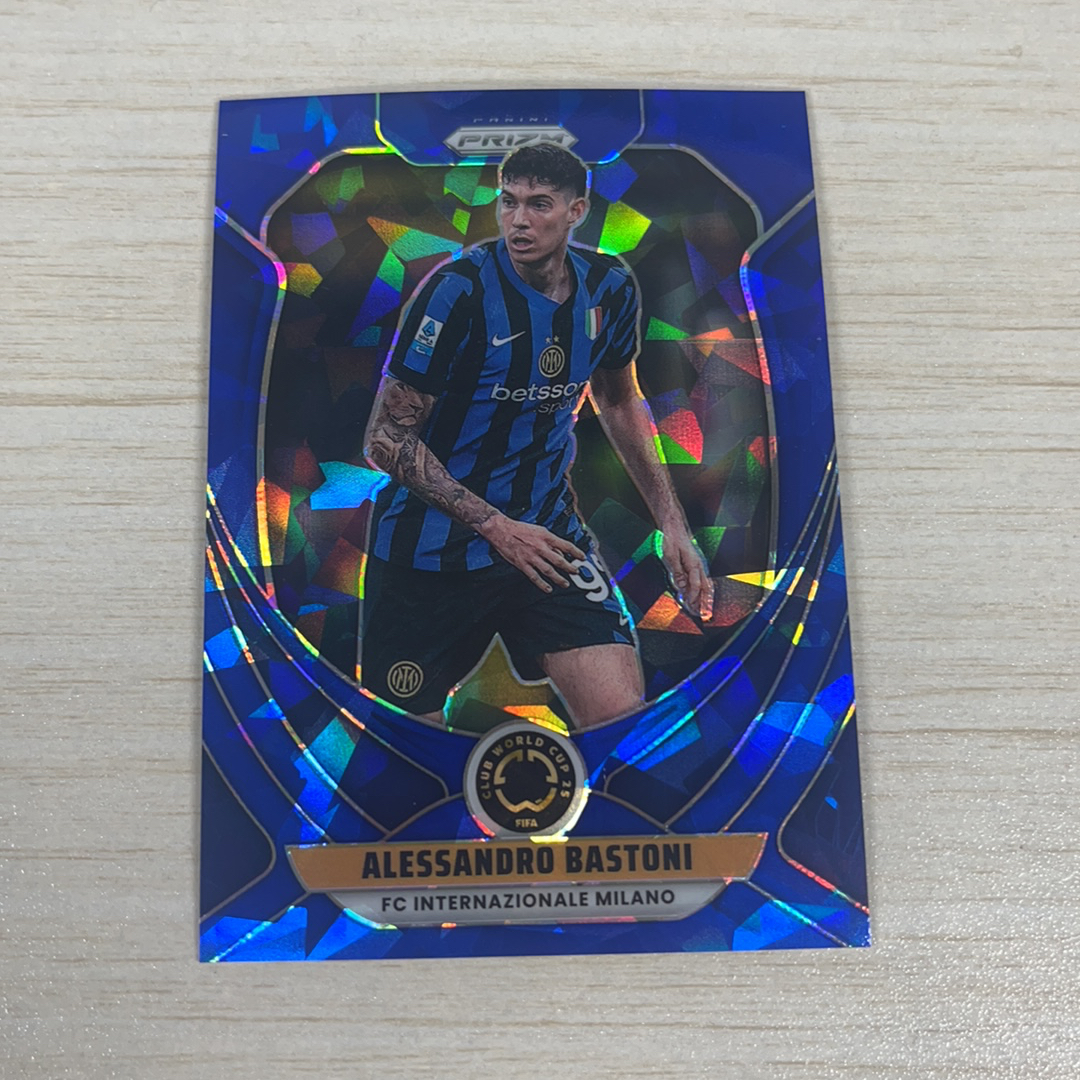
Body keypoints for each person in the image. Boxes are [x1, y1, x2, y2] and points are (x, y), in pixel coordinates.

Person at [361, 143, 712, 729]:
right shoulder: (458, 291)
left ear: (576, 211)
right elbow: (384, 439)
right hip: (428, 557)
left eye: (539, 204)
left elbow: (618, 399)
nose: (518, 220)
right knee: (405, 754)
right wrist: (497, 528)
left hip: (548, 541)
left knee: (620, 726)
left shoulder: (608, 286)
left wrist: (671, 524)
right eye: (509, 202)